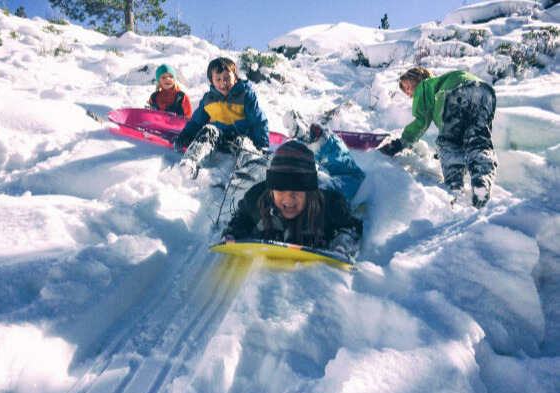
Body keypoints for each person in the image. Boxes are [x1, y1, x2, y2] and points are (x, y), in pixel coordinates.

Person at [222, 141, 363, 263]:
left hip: (327, 186)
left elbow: (350, 227)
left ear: (308, 193)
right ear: (271, 190)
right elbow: (242, 219)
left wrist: (342, 245)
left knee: (351, 179)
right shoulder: (255, 200)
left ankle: (328, 145)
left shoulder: (330, 206)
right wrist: (234, 233)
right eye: (281, 190)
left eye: (297, 190)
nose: (289, 198)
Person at [379, 67, 498, 208]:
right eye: (407, 93)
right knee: (478, 140)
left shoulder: (424, 85)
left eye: (409, 88)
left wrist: (400, 143)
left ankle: (455, 186)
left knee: (449, 143)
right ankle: (482, 180)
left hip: (456, 92)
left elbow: (421, 121)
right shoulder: (441, 82)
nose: (410, 94)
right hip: (485, 93)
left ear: (419, 78)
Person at [172, 57, 269, 178]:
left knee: (245, 143)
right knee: (208, 131)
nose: (223, 83)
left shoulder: (245, 96)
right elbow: (197, 122)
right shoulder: (208, 99)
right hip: (218, 138)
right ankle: (191, 161)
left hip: (240, 137)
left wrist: (262, 144)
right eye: (218, 79)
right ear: (211, 81)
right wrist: (185, 135)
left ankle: (252, 167)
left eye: (227, 78)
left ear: (235, 77)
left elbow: (258, 121)